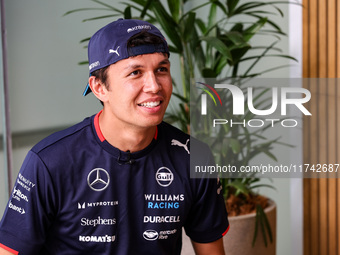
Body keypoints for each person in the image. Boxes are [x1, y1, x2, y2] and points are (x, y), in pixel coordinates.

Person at [0, 18, 229, 255]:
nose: (154, 86)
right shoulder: (49, 162)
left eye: (161, 69)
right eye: (135, 72)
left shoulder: (194, 157)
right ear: (99, 87)